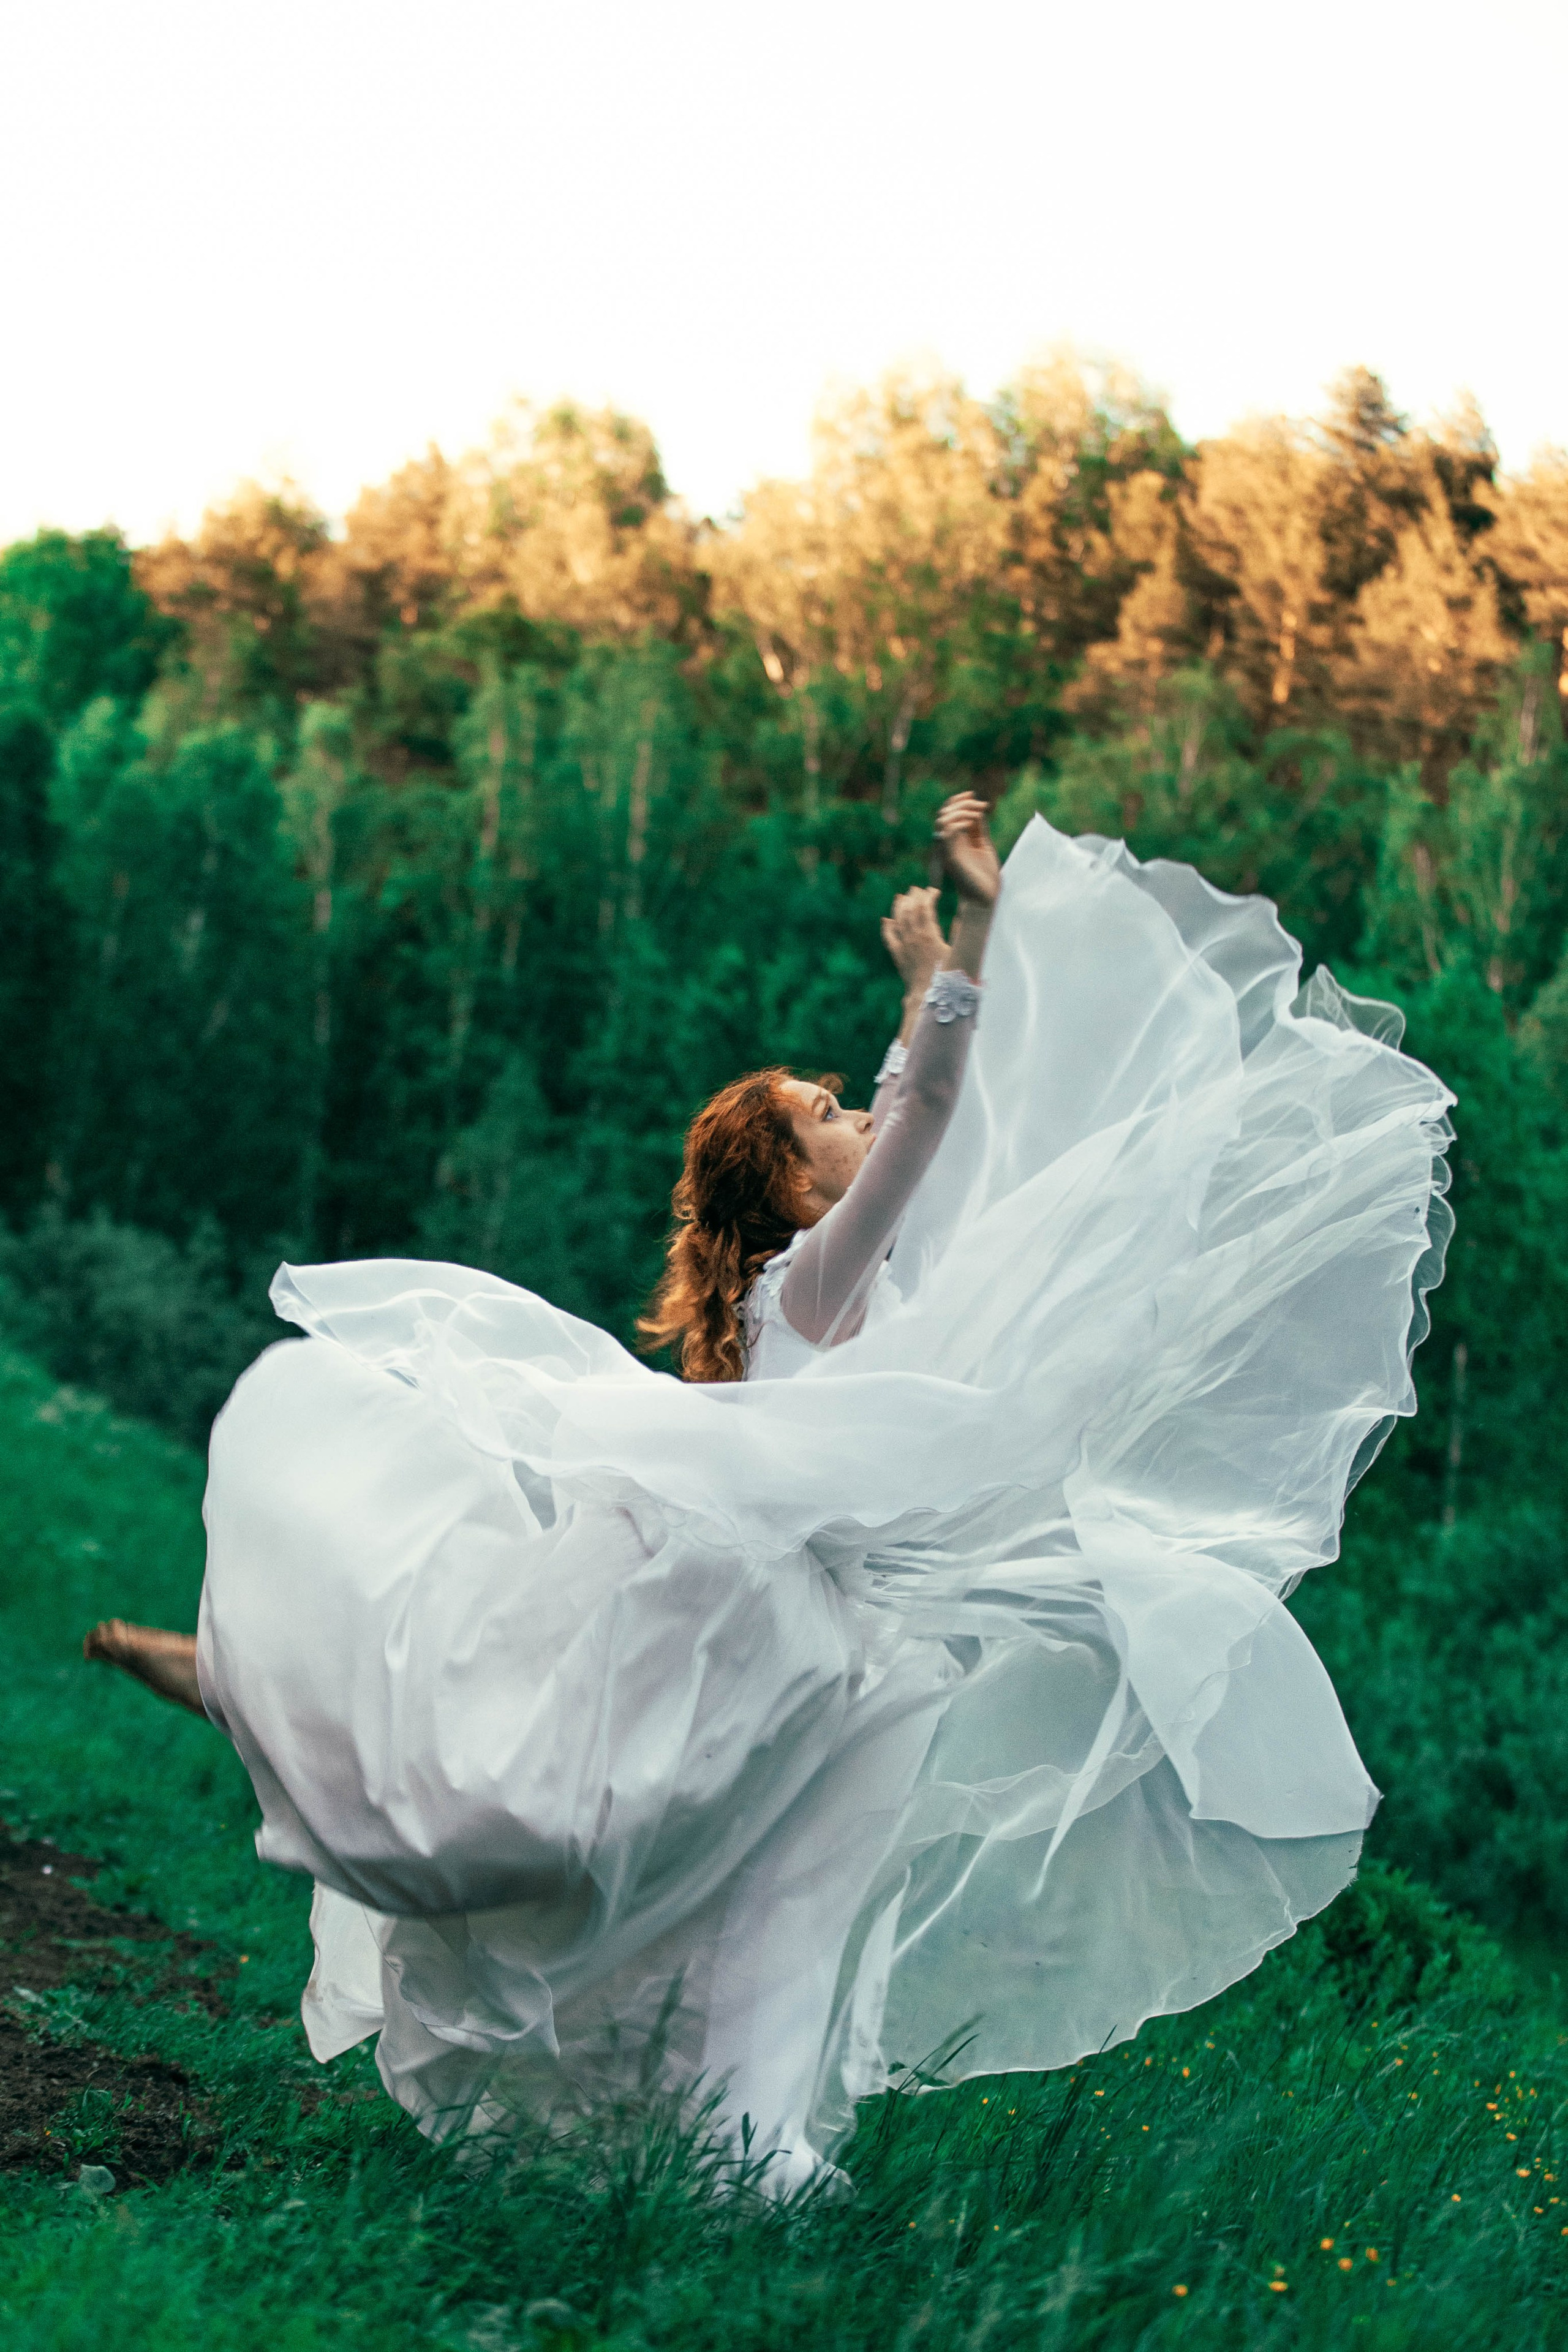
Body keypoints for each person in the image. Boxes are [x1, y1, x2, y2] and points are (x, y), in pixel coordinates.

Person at [85, 794, 1453, 2195]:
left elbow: (899, 1108)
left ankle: (732, 2138)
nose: (850, 1115)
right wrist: (969, 937)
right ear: (796, 1192)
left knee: (697, 1877)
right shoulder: (813, 1279)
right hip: (732, 1613)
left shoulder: (790, 1285)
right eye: (821, 1119)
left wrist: (925, 987)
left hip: (794, 1627)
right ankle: (250, 1684)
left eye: (835, 1100)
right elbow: (918, 1117)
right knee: (527, 1819)